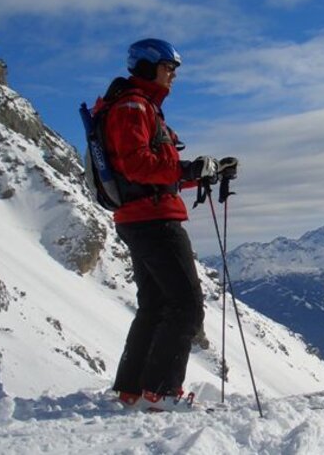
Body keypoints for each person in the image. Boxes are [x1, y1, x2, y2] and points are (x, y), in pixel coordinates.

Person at [95, 38, 233, 412]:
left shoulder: (137, 106)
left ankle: (133, 389)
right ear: (146, 66)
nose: (173, 75)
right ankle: (162, 392)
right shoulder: (133, 107)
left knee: (155, 305)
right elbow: (136, 165)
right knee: (186, 306)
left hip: (141, 216)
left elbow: (155, 173)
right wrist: (187, 169)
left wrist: (204, 172)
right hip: (154, 219)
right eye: (168, 67)